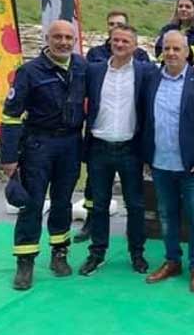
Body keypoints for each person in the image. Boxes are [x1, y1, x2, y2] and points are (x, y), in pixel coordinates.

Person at [1, 20, 87, 291]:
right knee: (32, 203)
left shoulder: (81, 67)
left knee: (62, 202)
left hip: (70, 145)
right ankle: (25, 261)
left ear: (74, 41)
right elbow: (10, 116)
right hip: (39, 145)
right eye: (57, 37)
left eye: (68, 38)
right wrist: (8, 157)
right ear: (47, 39)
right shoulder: (29, 72)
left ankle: (59, 253)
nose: (63, 42)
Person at [142, 30, 194, 293]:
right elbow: (145, 119)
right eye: (167, 49)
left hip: (193, 166)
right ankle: (172, 261)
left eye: (177, 49)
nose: (171, 53)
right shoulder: (151, 78)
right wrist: (147, 156)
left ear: (187, 52)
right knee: (167, 216)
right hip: (161, 163)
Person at [77, 24, 151, 277]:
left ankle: (137, 253)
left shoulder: (145, 72)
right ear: (110, 42)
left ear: (135, 46)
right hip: (99, 147)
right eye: (116, 40)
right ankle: (97, 253)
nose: (119, 45)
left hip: (131, 148)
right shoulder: (95, 70)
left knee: (136, 205)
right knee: (99, 205)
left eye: (125, 41)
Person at [154, 0, 194, 66]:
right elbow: (159, 51)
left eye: (188, 7)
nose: (183, 9)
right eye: (180, 6)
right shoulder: (167, 29)